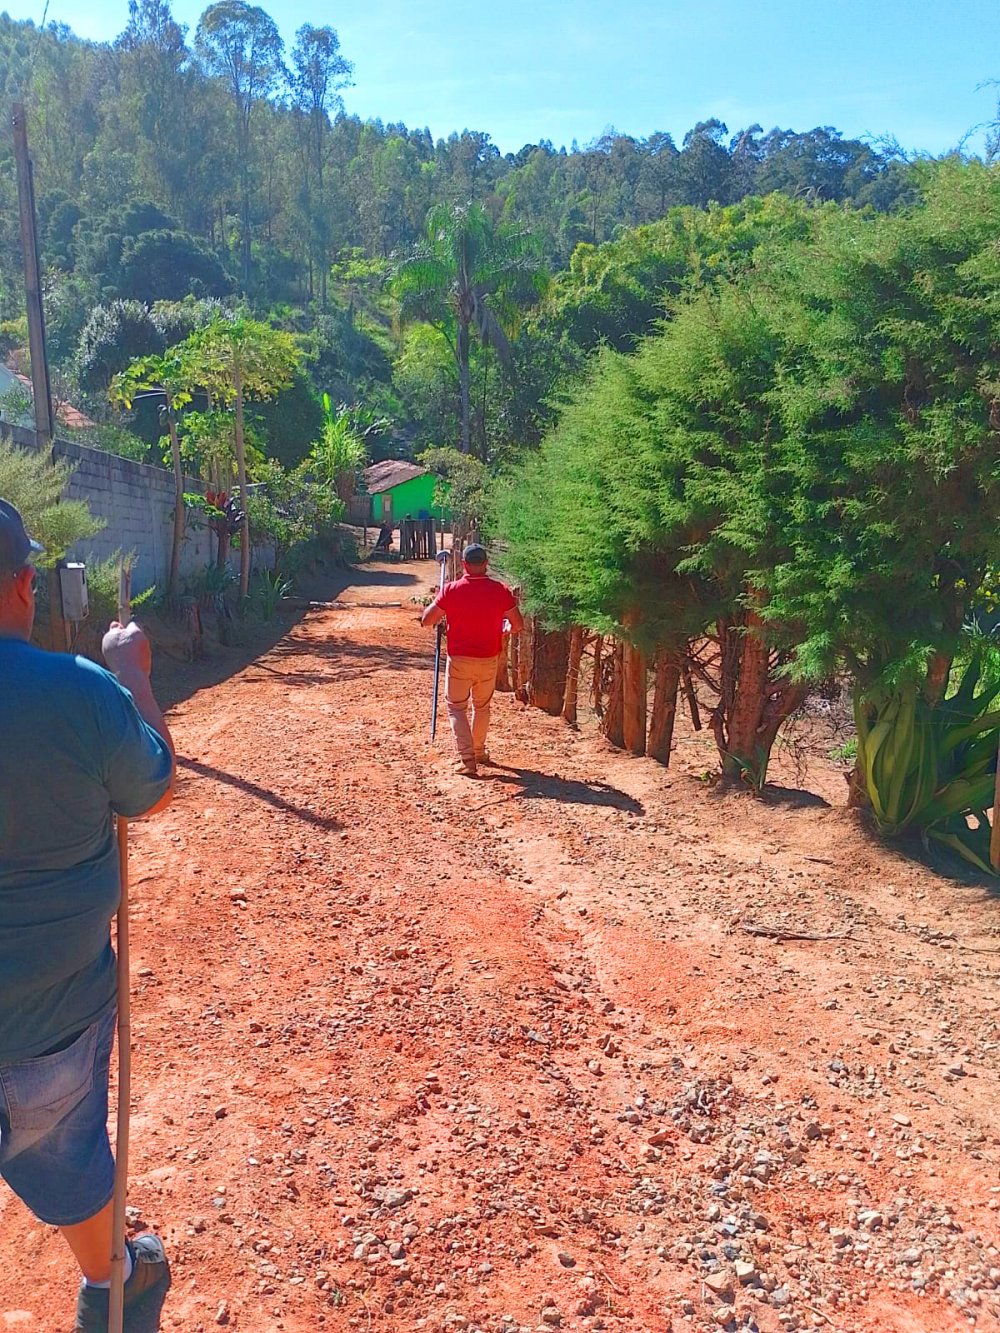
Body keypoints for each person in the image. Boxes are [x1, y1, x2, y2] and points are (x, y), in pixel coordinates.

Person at [0, 498, 176, 1332]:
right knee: (67, 1154)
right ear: (25, 584)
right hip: (48, 1031)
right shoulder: (80, 691)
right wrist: (130, 671)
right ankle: (114, 1279)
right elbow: (151, 789)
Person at [421, 542, 524, 777]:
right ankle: (478, 751)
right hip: (488, 658)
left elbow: (427, 620)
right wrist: (505, 628)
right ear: (486, 563)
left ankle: (467, 759)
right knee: (482, 706)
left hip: (459, 659)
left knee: (456, 707)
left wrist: (438, 601)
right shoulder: (500, 590)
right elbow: (518, 624)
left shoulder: (451, 590)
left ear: (464, 564)